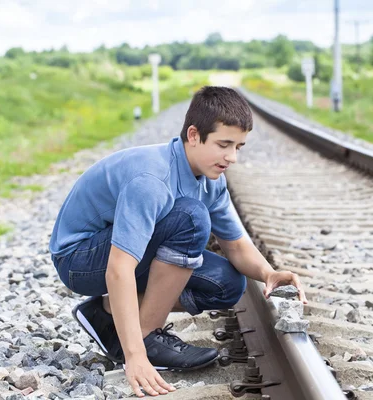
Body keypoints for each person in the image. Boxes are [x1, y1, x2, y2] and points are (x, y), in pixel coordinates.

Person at [48, 86, 307, 398]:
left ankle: (104, 313)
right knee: (191, 217)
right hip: (79, 259)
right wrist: (135, 357)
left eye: (239, 147)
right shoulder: (152, 181)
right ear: (194, 135)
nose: (232, 157)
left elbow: (235, 244)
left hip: (119, 252)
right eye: (224, 145)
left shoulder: (212, 180)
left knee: (228, 284)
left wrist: (268, 274)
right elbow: (118, 269)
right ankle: (146, 338)